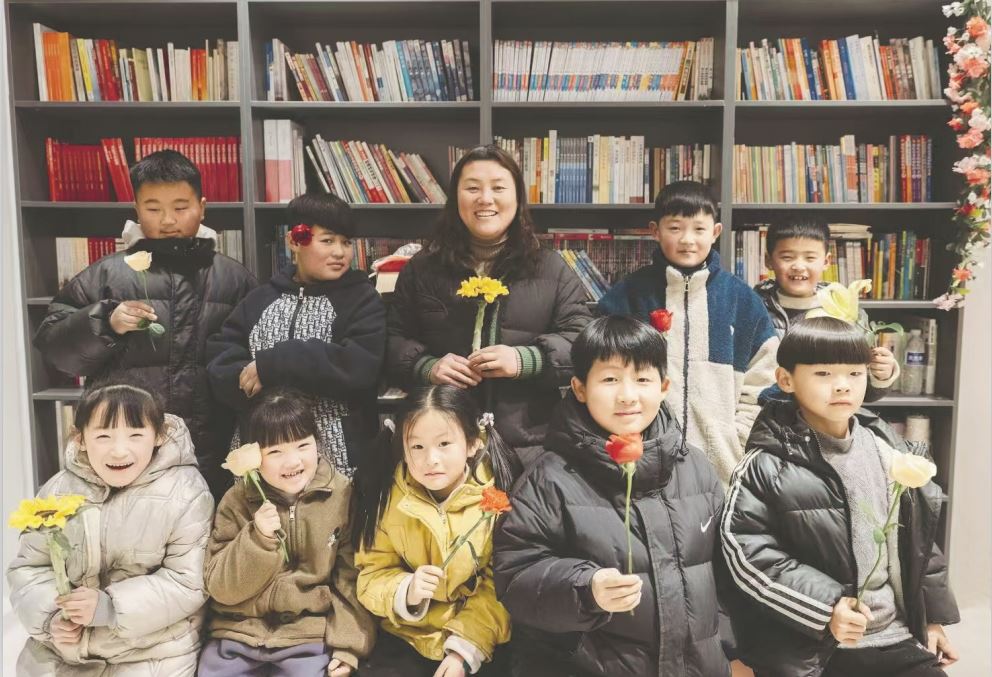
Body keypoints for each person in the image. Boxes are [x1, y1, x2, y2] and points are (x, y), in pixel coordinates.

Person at [494, 315, 732, 677]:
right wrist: (586, 589)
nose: (627, 395)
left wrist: (730, 649)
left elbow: (725, 573)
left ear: (664, 386)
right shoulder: (549, 479)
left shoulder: (694, 467)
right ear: (579, 388)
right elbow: (516, 577)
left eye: (642, 379)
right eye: (609, 379)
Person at [721, 317, 960, 677]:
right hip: (811, 647)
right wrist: (826, 608)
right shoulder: (765, 464)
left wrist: (932, 619)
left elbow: (919, 541)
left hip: (894, 635)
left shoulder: (888, 450)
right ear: (786, 380)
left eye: (854, 373)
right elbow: (745, 550)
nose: (842, 385)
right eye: (823, 374)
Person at [34, 149, 256, 497]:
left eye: (181, 207)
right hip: (127, 447)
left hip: (213, 445)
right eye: (153, 209)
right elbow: (55, 348)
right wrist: (106, 322)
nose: (168, 220)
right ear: (136, 209)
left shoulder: (233, 277)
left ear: (202, 207)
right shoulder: (107, 273)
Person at [386, 144, 591, 465]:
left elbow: (583, 343)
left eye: (498, 187)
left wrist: (525, 360)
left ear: (518, 198)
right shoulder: (423, 269)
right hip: (442, 445)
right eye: (472, 188)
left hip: (530, 445)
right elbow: (391, 340)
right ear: (455, 199)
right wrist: (428, 367)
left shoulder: (551, 268)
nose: (485, 198)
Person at [7, 383, 213, 676]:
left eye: (135, 435)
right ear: (80, 439)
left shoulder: (187, 493)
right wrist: (51, 618)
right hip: (64, 652)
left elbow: (188, 582)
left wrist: (110, 607)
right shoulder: (58, 490)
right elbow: (29, 568)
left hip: (152, 652)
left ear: (159, 435)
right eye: (103, 436)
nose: (119, 451)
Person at [598, 180, 779, 483]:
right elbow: (600, 374)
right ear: (655, 231)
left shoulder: (741, 299)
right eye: (675, 228)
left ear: (715, 232)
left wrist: (737, 437)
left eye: (699, 229)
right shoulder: (627, 296)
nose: (687, 240)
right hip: (642, 462)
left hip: (723, 468)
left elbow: (766, 378)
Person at [199, 388, 375, 676]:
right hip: (237, 633)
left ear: (318, 443)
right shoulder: (237, 500)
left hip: (308, 637)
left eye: (303, 445)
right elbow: (220, 587)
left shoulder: (343, 495)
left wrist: (348, 647)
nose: (293, 461)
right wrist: (258, 539)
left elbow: (351, 581)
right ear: (255, 456)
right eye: (275, 452)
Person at [207, 192, 386, 477]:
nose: (340, 252)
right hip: (262, 453)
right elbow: (221, 357)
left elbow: (358, 367)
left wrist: (275, 364)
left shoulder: (363, 300)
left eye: (346, 242)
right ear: (294, 241)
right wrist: (252, 384)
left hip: (337, 457)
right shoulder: (259, 299)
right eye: (327, 240)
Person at [354, 385, 516, 676]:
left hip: (478, 637)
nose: (431, 459)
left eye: (444, 444)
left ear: (472, 443)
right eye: (417, 447)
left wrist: (464, 649)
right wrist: (406, 590)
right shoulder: (387, 499)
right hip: (407, 636)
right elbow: (371, 574)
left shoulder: (498, 495)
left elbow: (502, 585)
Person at [754, 217, 899, 401]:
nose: (798, 266)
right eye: (787, 257)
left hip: (830, 412)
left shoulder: (844, 308)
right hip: (765, 410)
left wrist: (881, 375)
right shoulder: (753, 308)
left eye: (810, 258)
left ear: (826, 261)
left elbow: (866, 392)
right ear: (768, 260)